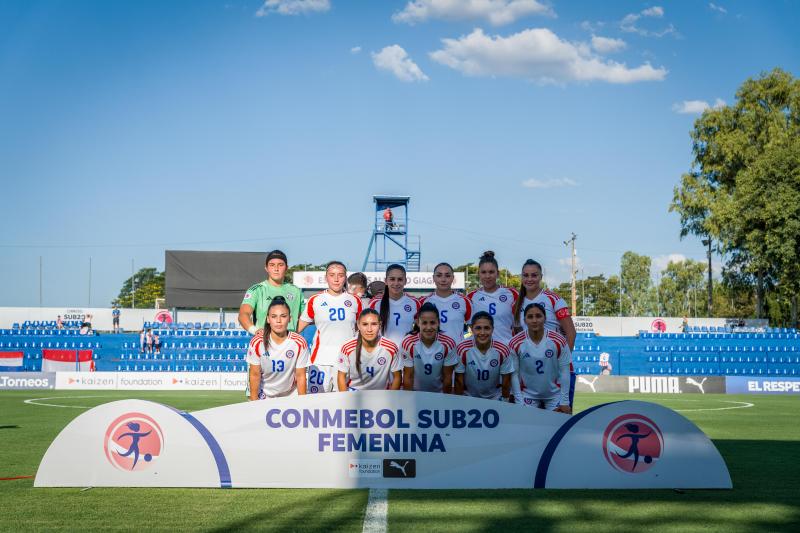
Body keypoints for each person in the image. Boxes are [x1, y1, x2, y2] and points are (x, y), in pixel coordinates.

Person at [513, 259, 578, 407]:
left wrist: (560, 364)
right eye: (526, 275)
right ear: (521, 277)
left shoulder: (553, 299)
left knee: (559, 423)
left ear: (541, 276)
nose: (530, 279)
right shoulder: (516, 303)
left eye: (534, 275)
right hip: (530, 375)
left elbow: (571, 333)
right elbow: (518, 336)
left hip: (556, 374)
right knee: (530, 425)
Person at [297, 261, 362, 393]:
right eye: (332, 275)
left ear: (345, 278)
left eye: (340, 275)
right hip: (320, 361)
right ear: (326, 277)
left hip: (346, 361)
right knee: (316, 403)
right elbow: (297, 328)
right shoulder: (315, 300)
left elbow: (361, 328)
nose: (336, 279)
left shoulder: (355, 300)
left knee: (344, 404)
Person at [508, 303, 572, 413]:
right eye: (530, 317)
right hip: (528, 395)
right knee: (527, 428)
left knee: (557, 427)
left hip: (554, 394)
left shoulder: (558, 340)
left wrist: (565, 401)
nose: (534, 320)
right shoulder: (515, 342)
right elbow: (514, 375)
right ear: (524, 320)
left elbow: (565, 371)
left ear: (545, 318)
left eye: (538, 316)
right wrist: (519, 401)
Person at [247, 296, 310, 399]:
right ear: (268, 319)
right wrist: (254, 402)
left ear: (290, 318)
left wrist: (302, 402)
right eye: (274, 316)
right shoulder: (257, 342)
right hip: (264, 395)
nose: (278, 321)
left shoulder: (299, 342)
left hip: (290, 395)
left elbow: (300, 375)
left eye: (283, 316)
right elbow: (254, 374)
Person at [239, 250, 304, 337]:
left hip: (290, 344)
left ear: (286, 268)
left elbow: (305, 318)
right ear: (266, 268)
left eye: (280, 265)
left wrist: (293, 334)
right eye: (272, 265)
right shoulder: (257, 290)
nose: (276, 269)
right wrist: (255, 331)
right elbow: (243, 314)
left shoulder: (296, 291)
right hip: (264, 341)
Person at [337, 309, 402, 391]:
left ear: (380, 325)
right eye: (365, 324)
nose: (369, 329)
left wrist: (391, 399)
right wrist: (345, 400)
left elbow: (397, 377)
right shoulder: (348, 347)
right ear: (358, 325)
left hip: (382, 395)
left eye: (374, 324)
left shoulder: (391, 347)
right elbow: (341, 376)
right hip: (354, 395)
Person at [454, 312, 514, 401]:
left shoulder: (503, 349)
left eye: (486, 328)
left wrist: (505, 402)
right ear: (472, 329)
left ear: (492, 329)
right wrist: (459, 402)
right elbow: (459, 381)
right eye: (478, 328)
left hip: (495, 398)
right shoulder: (462, 349)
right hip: (469, 397)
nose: (482, 332)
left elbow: (506, 382)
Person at [401, 302, 458, 393]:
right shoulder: (408, 342)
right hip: (416, 393)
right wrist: (409, 401)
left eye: (432, 323)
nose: (428, 327)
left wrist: (445, 401)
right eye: (424, 323)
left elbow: (447, 378)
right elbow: (408, 376)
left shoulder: (448, 343)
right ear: (418, 323)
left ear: (438, 322)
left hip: (438, 394)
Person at [467, 251, 518, 345]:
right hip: (481, 351)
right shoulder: (471, 297)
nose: (487, 276)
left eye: (491, 272)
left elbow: (518, 325)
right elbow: (471, 326)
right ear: (479, 274)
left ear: (497, 273)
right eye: (483, 272)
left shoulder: (512, 294)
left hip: (507, 349)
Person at [369, 264, 421, 347]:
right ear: (386, 281)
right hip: (382, 354)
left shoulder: (414, 302)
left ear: (405, 281)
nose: (396, 283)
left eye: (400, 279)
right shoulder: (375, 303)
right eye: (392, 279)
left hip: (407, 353)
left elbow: (419, 330)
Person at [420, 262, 471, 342]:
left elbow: (477, 327)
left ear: (453, 278)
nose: (443, 279)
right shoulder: (423, 301)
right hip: (430, 353)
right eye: (439, 275)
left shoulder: (464, 301)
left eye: (447, 276)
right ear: (433, 278)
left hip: (456, 353)